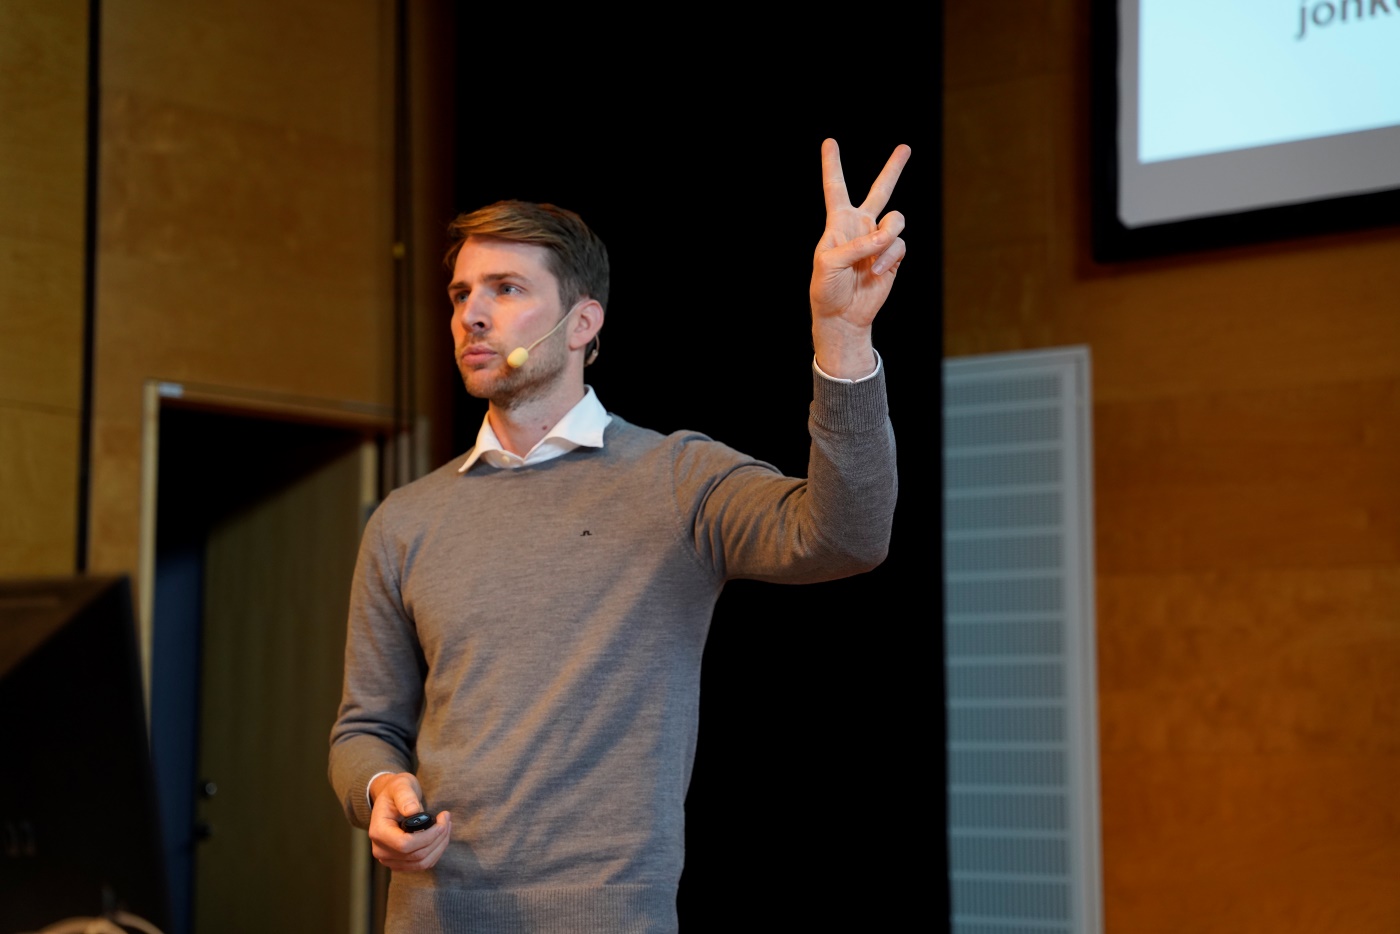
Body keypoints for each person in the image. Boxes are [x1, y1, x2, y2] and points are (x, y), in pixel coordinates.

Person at [329, 138, 910, 933]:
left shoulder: (675, 478)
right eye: (463, 291)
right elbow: (366, 728)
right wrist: (378, 793)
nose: (471, 312)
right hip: (434, 916)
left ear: (582, 323)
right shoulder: (406, 518)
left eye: (505, 288)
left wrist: (842, 340)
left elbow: (847, 535)